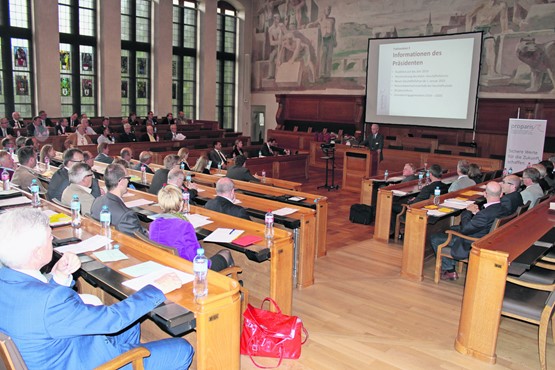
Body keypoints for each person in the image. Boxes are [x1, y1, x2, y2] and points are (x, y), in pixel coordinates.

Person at [0, 207, 194, 370]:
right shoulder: (50, 302)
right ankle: (130, 357)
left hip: (58, 350)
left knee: (131, 322)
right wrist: (157, 288)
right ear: (37, 252)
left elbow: (38, 312)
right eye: (50, 238)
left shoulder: (6, 281)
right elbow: (112, 320)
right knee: (182, 349)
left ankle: (129, 352)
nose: (52, 240)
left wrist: (59, 277)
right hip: (84, 361)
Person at [431, 181, 508, 280]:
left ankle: (449, 270)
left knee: (435, 238)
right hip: (486, 238)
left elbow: (465, 229)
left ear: (485, 194)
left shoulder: (485, 214)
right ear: (501, 194)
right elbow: (487, 221)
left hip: (472, 242)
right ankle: (451, 265)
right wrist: (477, 213)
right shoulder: (503, 209)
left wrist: (467, 211)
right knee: (451, 229)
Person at [150, 185, 234, 271]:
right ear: (182, 203)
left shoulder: (154, 224)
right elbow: (195, 257)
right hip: (188, 269)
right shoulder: (184, 226)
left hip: (165, 265)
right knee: (226, 253)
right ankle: (230, 282)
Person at [91, 163, 145, 236]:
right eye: (128, 178)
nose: (128, 181)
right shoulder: (126, 216)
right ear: (122, 181)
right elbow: (142, 241)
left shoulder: (97, 201)